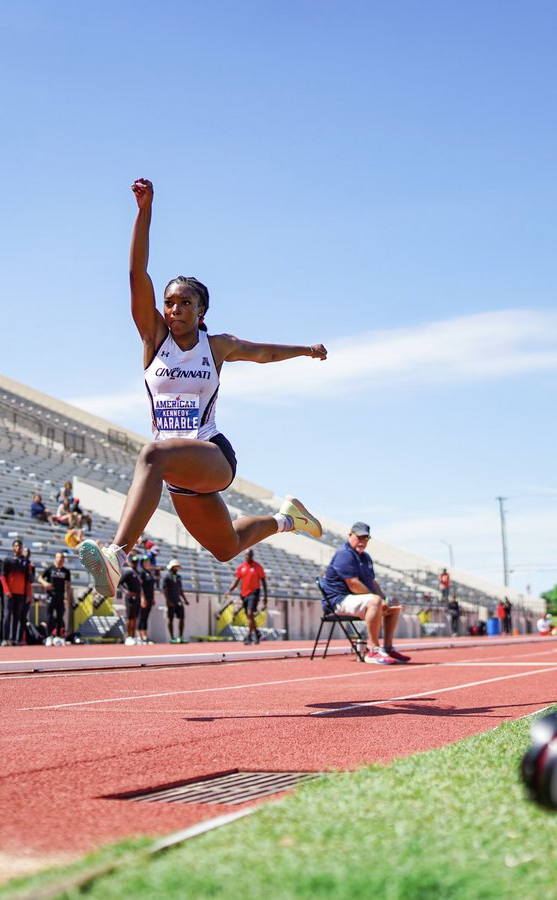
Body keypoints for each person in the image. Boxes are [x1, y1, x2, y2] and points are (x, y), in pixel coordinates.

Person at [77, 178, 327, 598]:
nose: (175, 309)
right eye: (170, 302)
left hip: (211, 454)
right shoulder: (155, 340)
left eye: (185, 303)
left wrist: (305, 350)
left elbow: (261, 352)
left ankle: (117, 556)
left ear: (201, 309)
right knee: (226, 547)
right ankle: (288, 519)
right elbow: (136, 272)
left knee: (151, 453)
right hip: (178, 472)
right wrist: (144, 212)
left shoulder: (217, 346)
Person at [321, 522, 408, 664]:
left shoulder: (365, 557)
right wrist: (378, 601)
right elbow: (353, 584)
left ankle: (387, 648)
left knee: (394, 602)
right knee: (375, 601)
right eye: (359, 537)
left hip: (356, 600)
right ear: (350, 535)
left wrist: (384, 600)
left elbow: (373, 582)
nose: (362, 541)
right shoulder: (345, 554)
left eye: (365, 538)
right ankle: (372, 649)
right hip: (338, 601)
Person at [225, 548, 268, 644]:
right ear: (244, 556)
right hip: (244, 594)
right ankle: (257, 633)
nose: (248, 556)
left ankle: (249, 636)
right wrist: (229, 590)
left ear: (252, 556)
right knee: (249, 617)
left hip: (254, 593)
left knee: (249, 614)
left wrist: (265, 597)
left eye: (250, 555)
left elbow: (264, 582)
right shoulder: (241, 567)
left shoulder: (258, 567)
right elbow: (236, 581)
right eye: (247, 555)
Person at [0, 539, 31, 646]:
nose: (18, 548)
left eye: (20, 546)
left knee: (17, 616)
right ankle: (5, 638)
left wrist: (27, 594)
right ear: (13, 547)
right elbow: (2, 576)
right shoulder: (7, 560)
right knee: (7, 615)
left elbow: (28, 580)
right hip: (9, 593)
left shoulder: (25, 562)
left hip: (20, 593)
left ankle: (14, 638)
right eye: (16, 546)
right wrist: (6, 590)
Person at [38, 551, 73, 645]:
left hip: (61, 596)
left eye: (62, 558)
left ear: (64, 559)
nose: (60, 559)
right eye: (58, 557)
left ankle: (58, 636)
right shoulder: (50, 569)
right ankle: (49, 636)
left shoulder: (66, 571)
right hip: (51, 595)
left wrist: (67, 598)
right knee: (49, 616)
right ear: (55, 558)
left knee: (60, 617)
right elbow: (40, 578)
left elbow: (68, 586)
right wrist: (45, 583)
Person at [161, 559, 189, 643]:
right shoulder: (167, 577)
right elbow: (165, 590)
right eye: (176, 567)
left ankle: (180, 636)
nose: (177, 568)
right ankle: (172, 637)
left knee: (182, 618)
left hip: (178, 600)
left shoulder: (179, 577)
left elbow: (180, 590)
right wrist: (168, 601)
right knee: (171, 619)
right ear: (172, 567)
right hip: (171, 601)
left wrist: (185, 599)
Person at [118, 557, 143, 646]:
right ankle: (128, 636)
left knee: (135, 617)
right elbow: (120, 583)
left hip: (137, 597)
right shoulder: (127, 571)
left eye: (136, 562)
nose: (135, 563)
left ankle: (133, 636)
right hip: (130, 598)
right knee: (130, 617)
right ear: (130, 562)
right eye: (134, 562)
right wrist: (127, 592)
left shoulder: (137, 572)